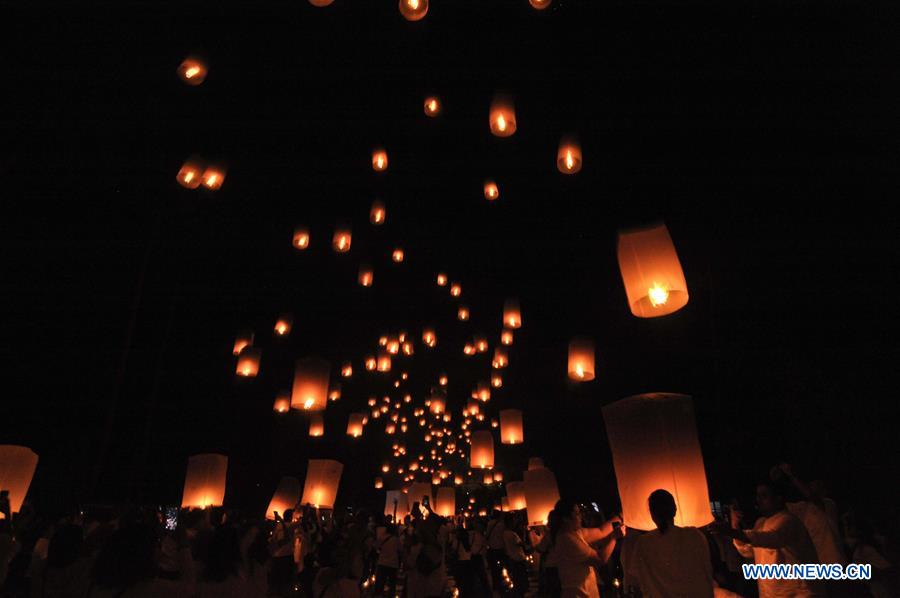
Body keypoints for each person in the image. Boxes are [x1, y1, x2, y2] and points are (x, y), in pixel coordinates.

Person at [716, 480, 825, 598]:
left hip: (799, 593)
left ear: (778, 499)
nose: (758, 500)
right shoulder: (761, 523)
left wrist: (732, 532)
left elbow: (771, 538)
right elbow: (747, 551)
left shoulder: (788, 521)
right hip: (772, 593)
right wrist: (735, 525)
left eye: (764, 496)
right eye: (757, 496)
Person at [630, 489, 713, 598]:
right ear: (675, 509)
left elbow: (636, 582)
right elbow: (707, 572)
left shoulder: (643, 544)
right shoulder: (694, 536)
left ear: (652, 514)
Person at [550, 498, 623, 598]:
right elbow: (600, 559)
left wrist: (621, 516)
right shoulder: (566, 539)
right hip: (579, 594)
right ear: (566, 518)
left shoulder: (574, 533)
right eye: (577, 513)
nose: (581, 516)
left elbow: (601, 531)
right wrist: (614, 537)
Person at [502, 513, 529, 597]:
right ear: (510, 522)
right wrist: (524, 534)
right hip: (519, 558)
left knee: (516, 579)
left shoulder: (504, 533)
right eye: (513, 521)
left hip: (512, 558)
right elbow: (521, 544)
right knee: (521, 579)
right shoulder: (512, 534)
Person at [373, 522, 400, 597]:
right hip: (393, 564)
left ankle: (378, 596)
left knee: (380, 584)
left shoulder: (382, 537)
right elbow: (400, 550)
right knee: (392, 584)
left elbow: (375, 546)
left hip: (382, 563)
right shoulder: (396, 539)